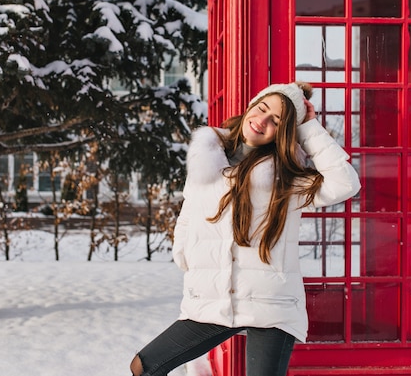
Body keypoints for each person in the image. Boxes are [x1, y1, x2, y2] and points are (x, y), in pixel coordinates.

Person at [130, 82, 361, 376]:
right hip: (213, 301)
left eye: (276, 121)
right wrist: (185, 253)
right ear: (251, 105)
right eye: (262, 108)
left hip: (271, 305)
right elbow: (189, 211)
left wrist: (308, 127)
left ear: (284, 131)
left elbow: (346, 183)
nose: (262, 121)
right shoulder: (208, 156)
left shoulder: (285, 178)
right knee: (144, 366)